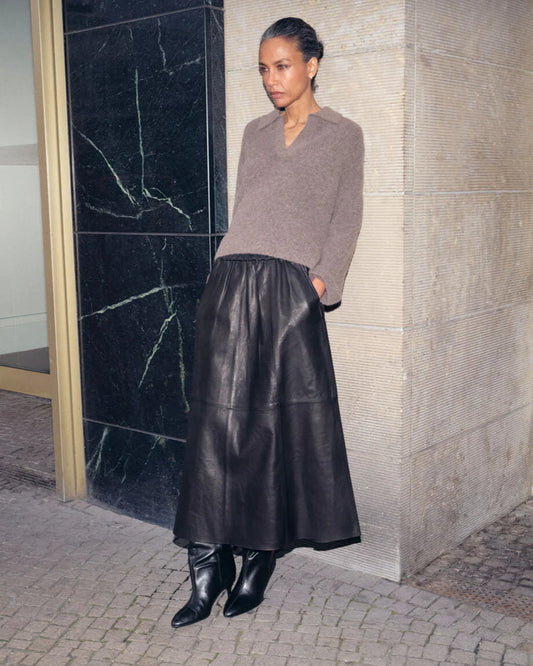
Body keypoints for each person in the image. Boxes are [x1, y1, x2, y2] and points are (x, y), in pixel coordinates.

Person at [171, 16, 364, 628]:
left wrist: (318, 285)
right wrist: (221, 273)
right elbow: (245, 210)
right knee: (216, 427)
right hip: (232, 281)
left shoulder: (343, 134)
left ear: (311, 64)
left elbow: (347, 217)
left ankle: (258, 557)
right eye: (262, 69)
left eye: (281, 66)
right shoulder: (255, 133)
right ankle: (208, 565)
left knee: (271, 428)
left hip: (288, 289)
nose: (271, 79)